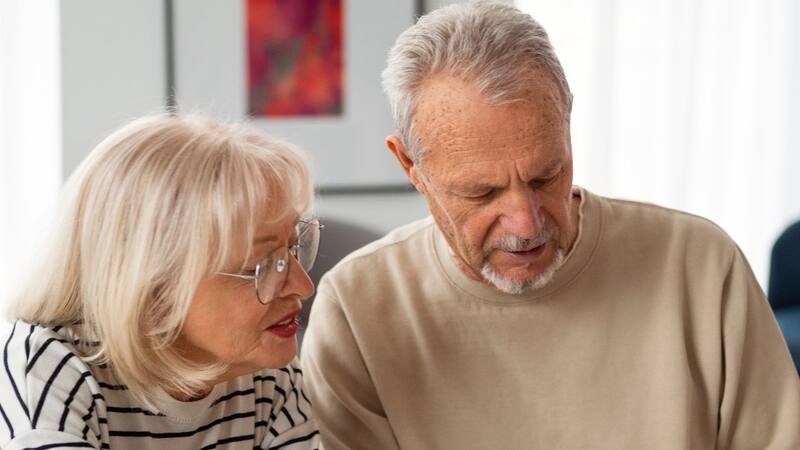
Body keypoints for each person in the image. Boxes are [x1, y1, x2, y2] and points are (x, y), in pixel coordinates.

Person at [301, 2, 800, 449]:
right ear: (411, 166)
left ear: (567, 125)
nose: (526, 222)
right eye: (483, 192)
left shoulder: (703, 265)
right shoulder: (356, 308)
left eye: (546, 175)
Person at [1, 115, 322, 449]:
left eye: (294, 248)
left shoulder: (269, 377)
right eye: (262, 265)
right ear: (157, 286)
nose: (304, 286)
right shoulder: (46, 367)